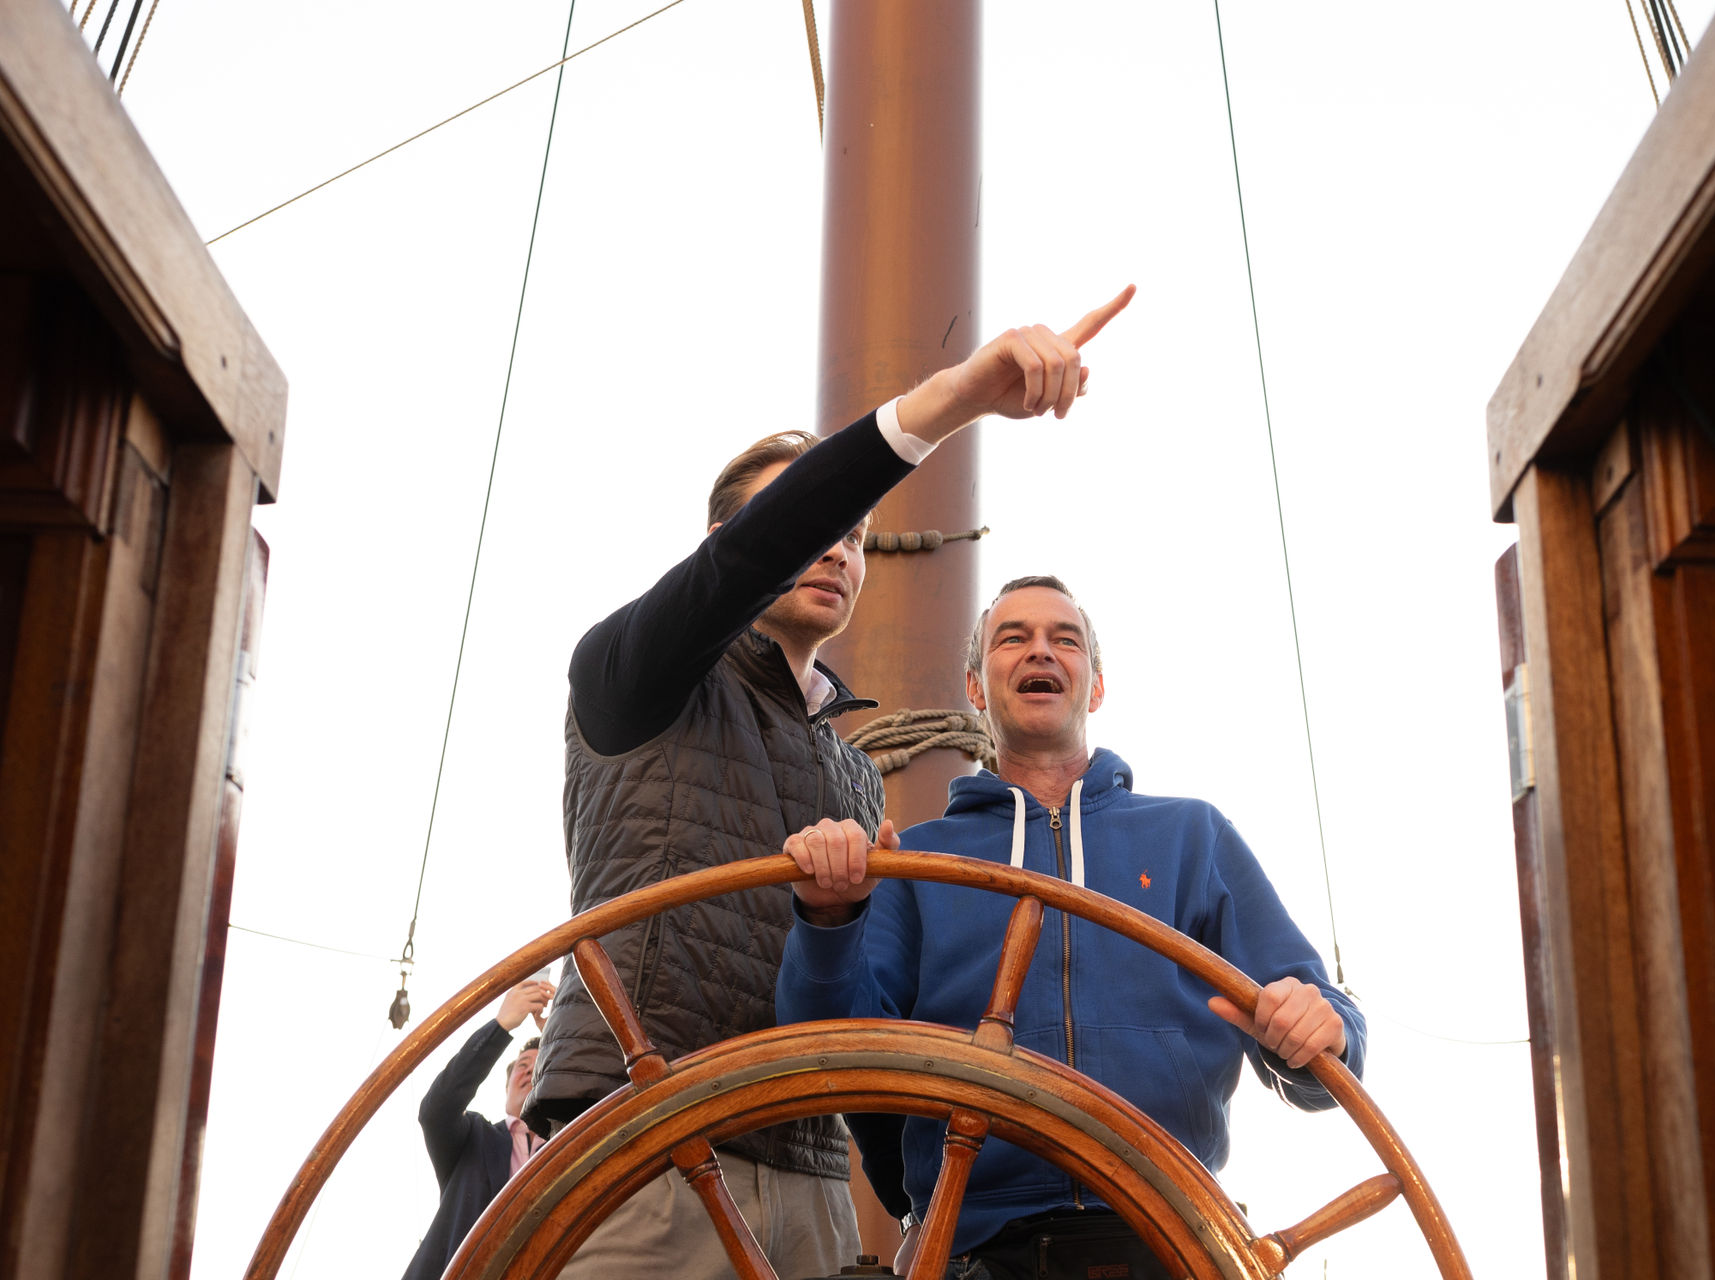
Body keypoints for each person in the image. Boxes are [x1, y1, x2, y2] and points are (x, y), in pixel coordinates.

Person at [526, 290, 1135, 1280]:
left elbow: (859, 1000)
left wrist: (919, 1183)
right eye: (811, 522)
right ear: (729, 547)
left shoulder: (855, 769)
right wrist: (954, 396)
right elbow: (750, 552)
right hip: (639, 1139)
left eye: (854, 536)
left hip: (803, 1168)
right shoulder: (628, 674)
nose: (836, 545)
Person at [775, 576, 1366, 1280]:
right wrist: (829, 916)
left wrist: (1325, 1028)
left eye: (1065, 639)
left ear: (1096, 686)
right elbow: (831, 1052)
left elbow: (1319, 1034)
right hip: (978, 1245)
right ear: (974, 684)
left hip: (1173, 1230)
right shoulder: (920, 863)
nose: (1040, 652)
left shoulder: (1191, 837)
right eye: (1013, 638)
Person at [401, 976, 555, 1280]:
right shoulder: (473, 1138)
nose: (529, 1070)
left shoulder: (577, 1141)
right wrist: (501, 1026)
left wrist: (561, 1041)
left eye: (540, 1065)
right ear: (508, 1084)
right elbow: (436, 1108)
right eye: (522, 1064)